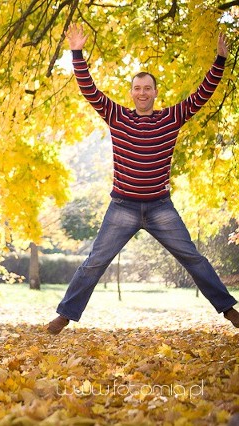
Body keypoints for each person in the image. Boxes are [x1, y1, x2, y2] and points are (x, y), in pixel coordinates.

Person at [47, 24, 239, 334]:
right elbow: (89, 89)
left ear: (155, 92)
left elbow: (202, 95)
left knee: (192, 256)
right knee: (95, 260)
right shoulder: (117, 116)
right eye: (137, 88)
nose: (142, 93)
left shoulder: (171, 117)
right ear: (132, 93)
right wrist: (77, 53)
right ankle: (64, 316)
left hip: (160, 207)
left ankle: (229, 310)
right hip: (122, 206)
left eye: (147, 88)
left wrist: (219, 60)